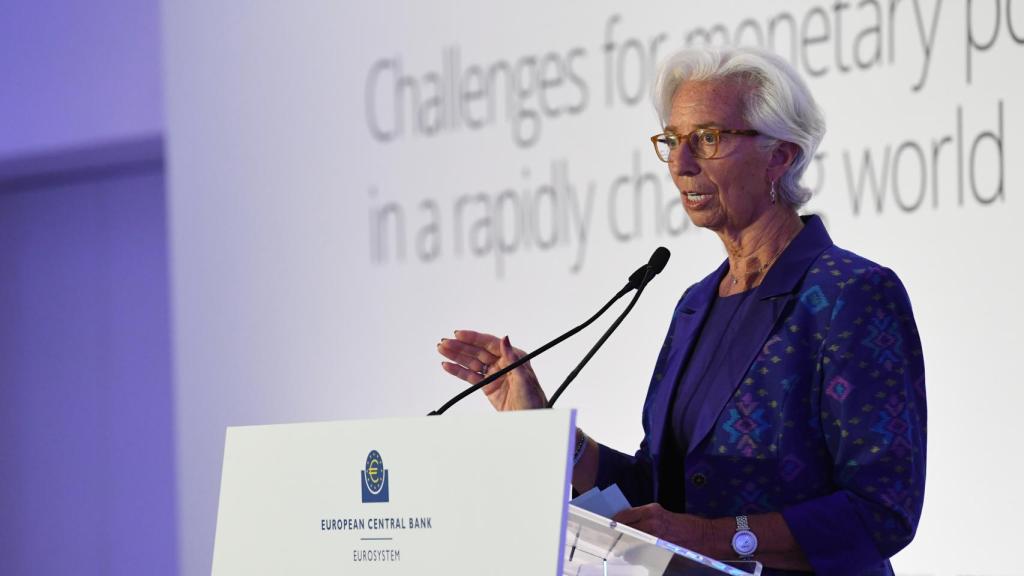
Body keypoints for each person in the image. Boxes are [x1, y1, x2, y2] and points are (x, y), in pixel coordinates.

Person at [437, 46, 925, 576]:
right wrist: (547, 434)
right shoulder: (695, 305)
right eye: (672, 140)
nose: (679, 162)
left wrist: (711, 537)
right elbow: (660, 493)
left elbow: (882, 511)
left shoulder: (849, 294)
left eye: (708, 138)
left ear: (780, 155)